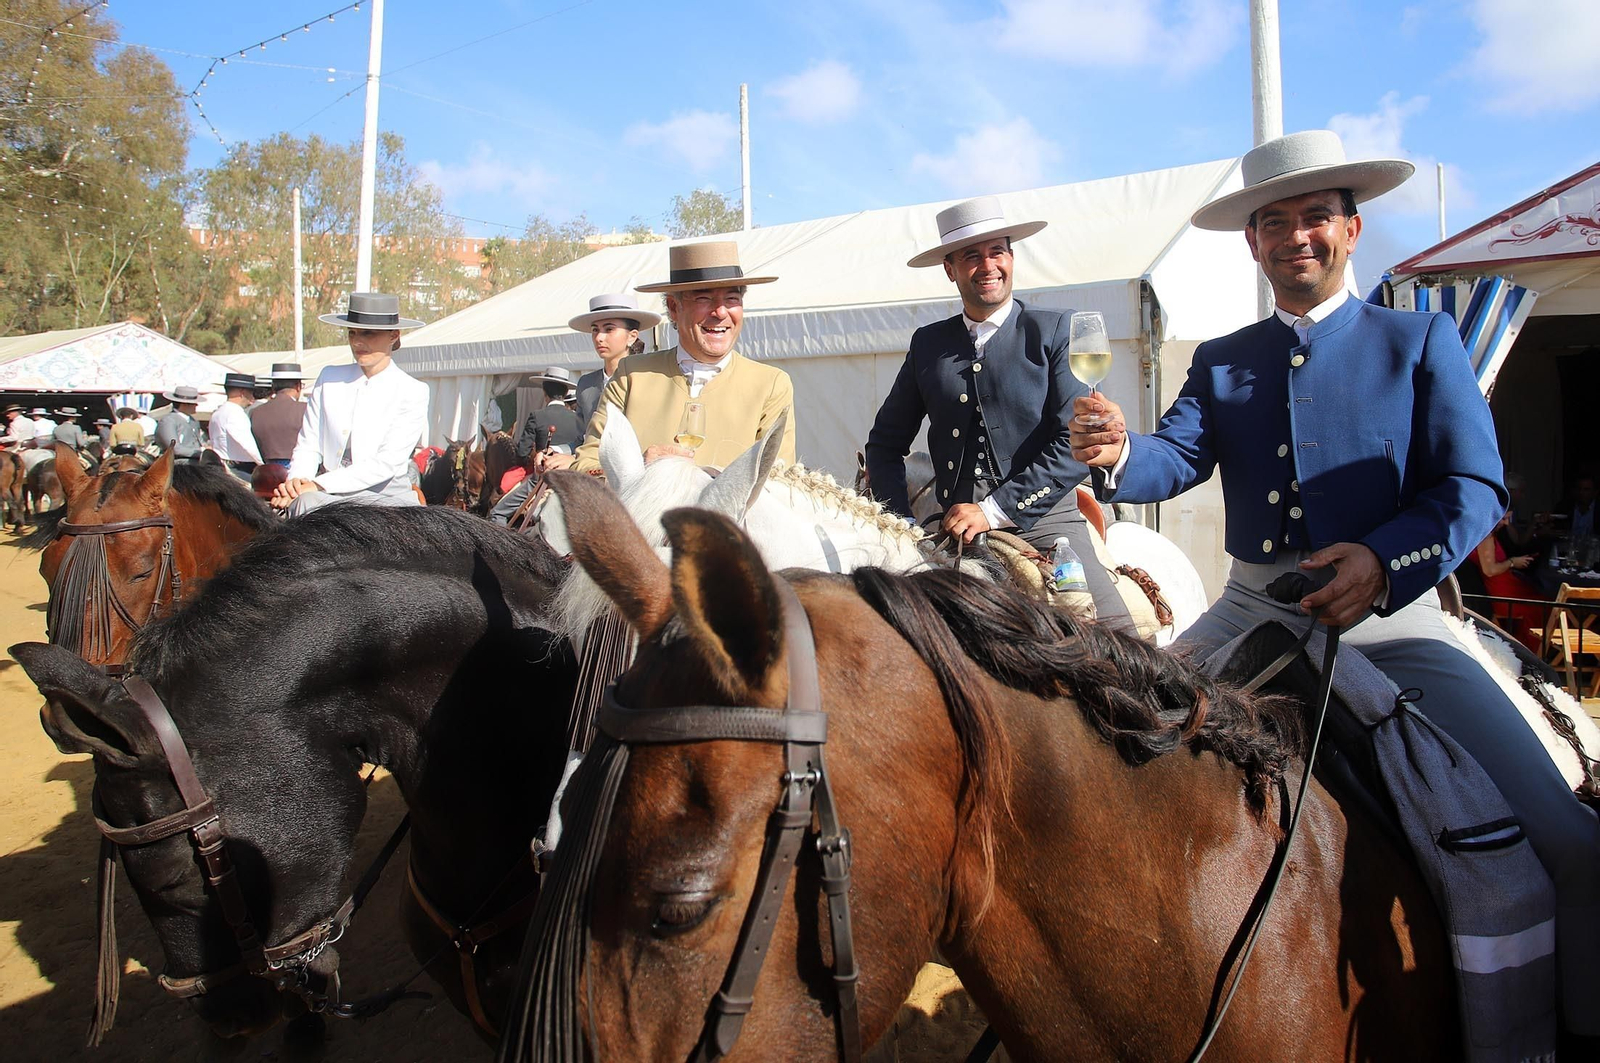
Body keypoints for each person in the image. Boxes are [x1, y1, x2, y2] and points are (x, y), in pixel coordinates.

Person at [1067, 129, 1600, 1036]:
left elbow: (1474, 486)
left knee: (1572, 844)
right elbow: (1175, 455)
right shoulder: (1223, 356)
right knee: (1102, 752)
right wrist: (1120, 452)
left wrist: (1384, 561)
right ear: (1253, 243)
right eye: (1274, 222)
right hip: (1248, 612)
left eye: (1315, 216)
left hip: (1395, 620)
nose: (1295, 236)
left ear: (1352, 230)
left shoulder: (1418, 339)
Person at [864, 194, 1131, 628]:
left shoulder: (1055, 329)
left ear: (1011, 257)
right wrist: (899, 523)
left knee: (1119, 638)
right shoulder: (927, 343)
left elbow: (1073, 444)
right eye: (972, 256)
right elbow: (884, 445)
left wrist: (991, 511)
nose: (988, 266)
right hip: (954, 532)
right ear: (950, 269)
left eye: (997, 252)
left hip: (1047, 524)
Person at [570, 241, 795, 473]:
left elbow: (778, 479)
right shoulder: (631, 375)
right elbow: (585, 466)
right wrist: (638, 470)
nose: (720, 312)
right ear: (673, 308)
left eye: (732, 299)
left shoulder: (770, 385)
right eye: (703, 299)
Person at [273, 292, 429, 516]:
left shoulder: (413, 390)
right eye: (352, 332)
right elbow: (309, 444)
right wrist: (296, 484)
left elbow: (387, 463)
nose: (357, 342)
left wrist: (317, 485)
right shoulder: (329, 378)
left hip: (386, 498)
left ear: (394, 335)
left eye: (368, 333)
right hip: (323, 493)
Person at [490, 367, 586, 525]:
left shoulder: (537, 416)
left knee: (497, 512)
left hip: (542, 478)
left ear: (544, 392)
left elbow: (522, 453)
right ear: (565, 393)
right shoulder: (578, 419)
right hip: (572, 475)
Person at [571, 293, 662, 430]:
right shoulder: (586, 384)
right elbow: (580, 436)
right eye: (595, 330)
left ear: (632, 336)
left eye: (609, 329)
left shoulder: (650, 380)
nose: (599, 338)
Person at [249, 363, 308, 468]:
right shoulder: (305, 409)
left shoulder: (255, 412)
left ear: (273, 387)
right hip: (299, 466)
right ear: (298, 386)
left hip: (266, 469)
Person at [208, 372, 264, 481]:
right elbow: (246, 443)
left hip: (222, 464)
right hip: (238, 468)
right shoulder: (235, 413)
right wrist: (261, 464)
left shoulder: (217, 413)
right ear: (242, 392)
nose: (252, 398)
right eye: (251, 393)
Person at [155, 386, 205, 461]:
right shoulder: (168, 421)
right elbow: (175, 449)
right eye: (194, 403)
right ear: (184, 404)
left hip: (196, 461)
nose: (196, 405)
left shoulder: (193, 421)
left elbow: (200, 442)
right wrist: (201, 452)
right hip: (176, 462)